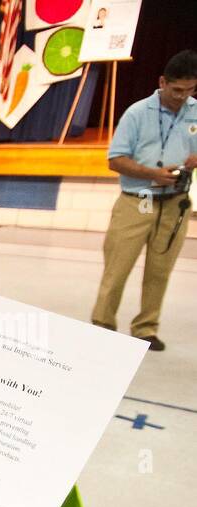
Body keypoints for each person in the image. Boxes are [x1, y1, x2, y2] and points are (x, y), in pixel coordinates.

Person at [90, 50, 197, 352]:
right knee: (117, 269)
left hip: (174, 204)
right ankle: (103, 324)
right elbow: (115, 160)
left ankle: (146, 328)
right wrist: (152, 174)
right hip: (138, 200)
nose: (182, 97)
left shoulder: (195, 111)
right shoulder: (138, 113)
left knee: (160, 271)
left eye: (190, 90)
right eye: (177, 90)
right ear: (163, 82)